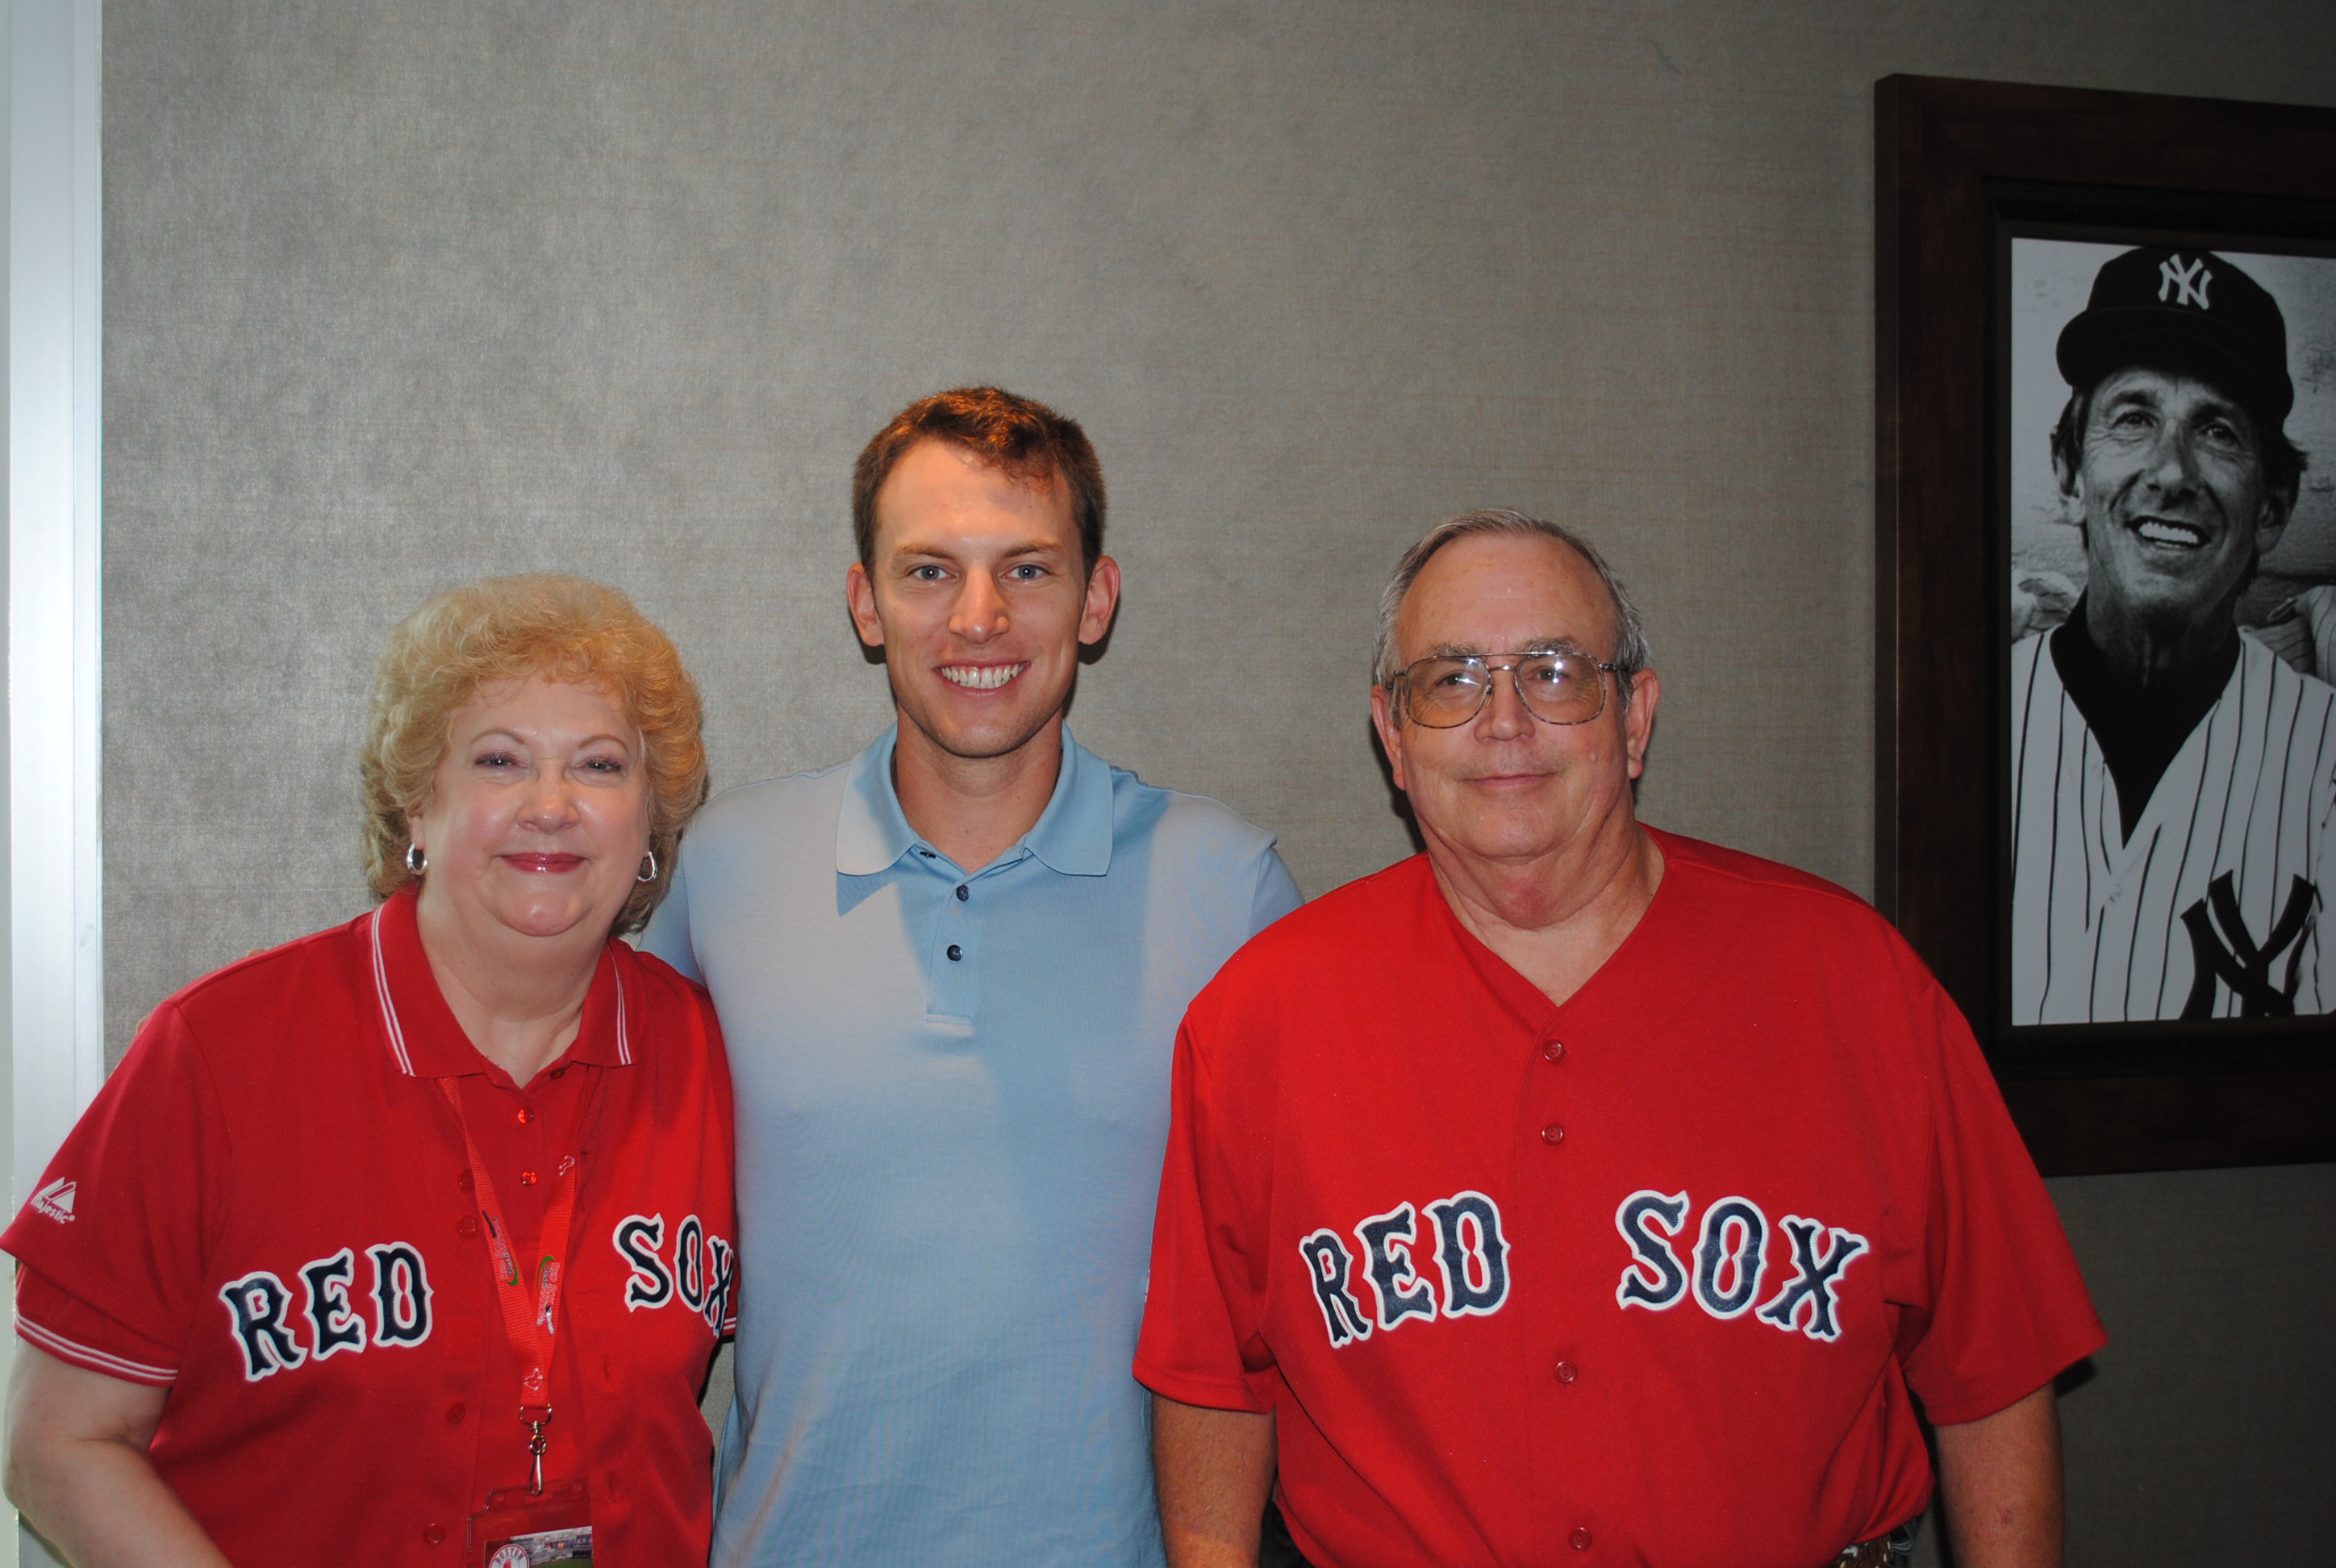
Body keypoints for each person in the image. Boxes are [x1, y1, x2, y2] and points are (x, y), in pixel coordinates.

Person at [1138, 511, 2105, 1568]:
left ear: (1635, 717)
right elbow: (1212, 1388)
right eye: (1451, 679)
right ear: (1394, 736)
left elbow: (1993, 1372)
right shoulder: (1261, 1020)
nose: (1504, 722)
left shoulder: (1856, 985)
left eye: (1553, 673)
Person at [643, 386, 1303, 1566]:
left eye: (1028, 570)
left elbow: (1286, 1293)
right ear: (866, 602)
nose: (979, 618)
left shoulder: (1226, 888)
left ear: (1096, 600)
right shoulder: (730, 869)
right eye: (929, 571)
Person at [3, 575, 736, 1566]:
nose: (551, 806)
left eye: (599, 766)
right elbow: (59, 1444)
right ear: (417, 808)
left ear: (650, 826)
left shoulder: (717, 1060)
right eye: (499, 760)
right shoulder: (218, 1055)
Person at [2009, 246, 2330, 1023]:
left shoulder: (2326, 761)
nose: (2172, 473)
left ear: (2272, 507)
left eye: (2216, 431)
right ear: (2069, 476)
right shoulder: (1963, 729)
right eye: (2134, 419)